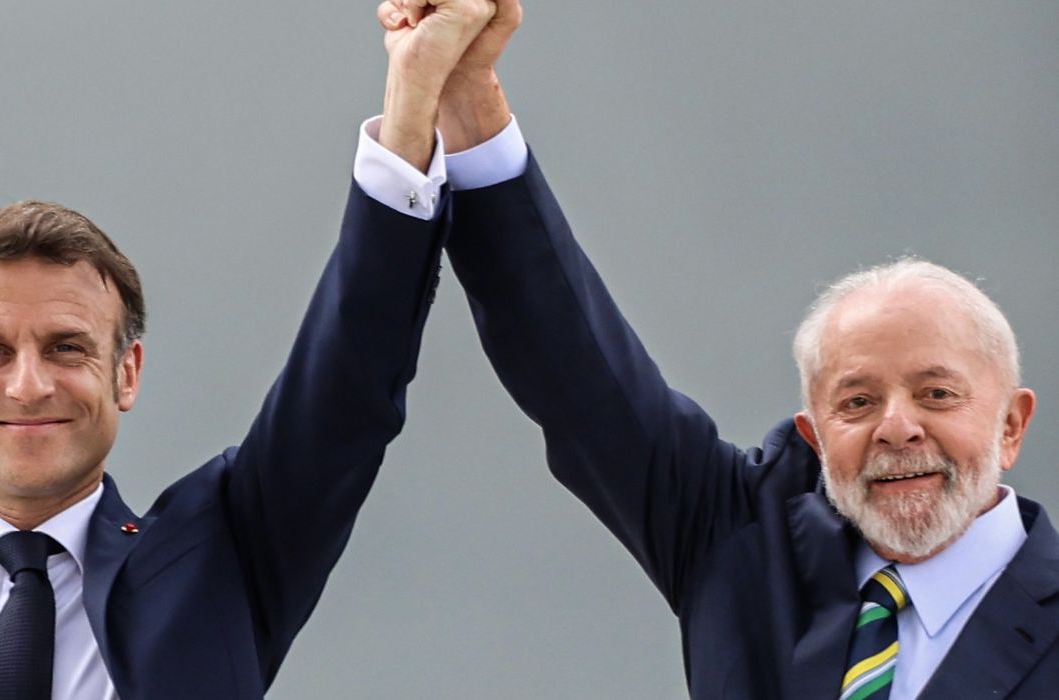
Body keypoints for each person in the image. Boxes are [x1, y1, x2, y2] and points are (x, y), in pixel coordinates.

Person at [379, 1, 1059, 697]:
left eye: (937, 394)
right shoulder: (742, 544)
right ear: (814, 436)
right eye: (857, 402)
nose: (897, 427)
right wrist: (465, 85)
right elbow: (576, 375)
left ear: (1011, 423)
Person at [0, 2, 497, 697]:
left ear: (126, 373)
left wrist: (412, 102)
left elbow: (347, 384)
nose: (29, 386)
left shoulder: (219, 562)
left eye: (66, 348)